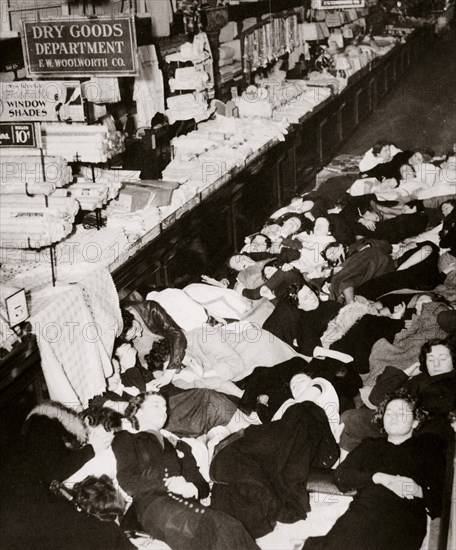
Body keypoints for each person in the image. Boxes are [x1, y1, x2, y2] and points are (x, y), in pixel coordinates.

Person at [112, 392, 259, 550]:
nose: (164, 411)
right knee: (201, 528)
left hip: (185, 505)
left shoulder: (179, 446)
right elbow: (127, 479)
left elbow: (201, 485)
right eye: (156, 405)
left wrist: (192, 487)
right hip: (152, 506)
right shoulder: (126, 438)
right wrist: (168, 485)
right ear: (138, 411)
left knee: (231, 526)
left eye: (165, 408)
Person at [304, 390, 447, 550]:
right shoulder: (370, 445)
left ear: (415, 421)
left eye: (402, 413)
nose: (393, 417)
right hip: (364, 511)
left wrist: (418, 490)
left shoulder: (428, 448)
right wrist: (379, 477)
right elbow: (341, 476)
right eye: (389, 413)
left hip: (403, 518)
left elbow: (442, 497)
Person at [340, 338, 456, 452]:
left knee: (351, 420)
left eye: (443, 359)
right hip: (397, 422)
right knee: (350, 419)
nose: (436, 364)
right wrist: (407, 372)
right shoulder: (421, 379)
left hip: (423, 433)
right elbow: (377, 398)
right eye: (430, 359)